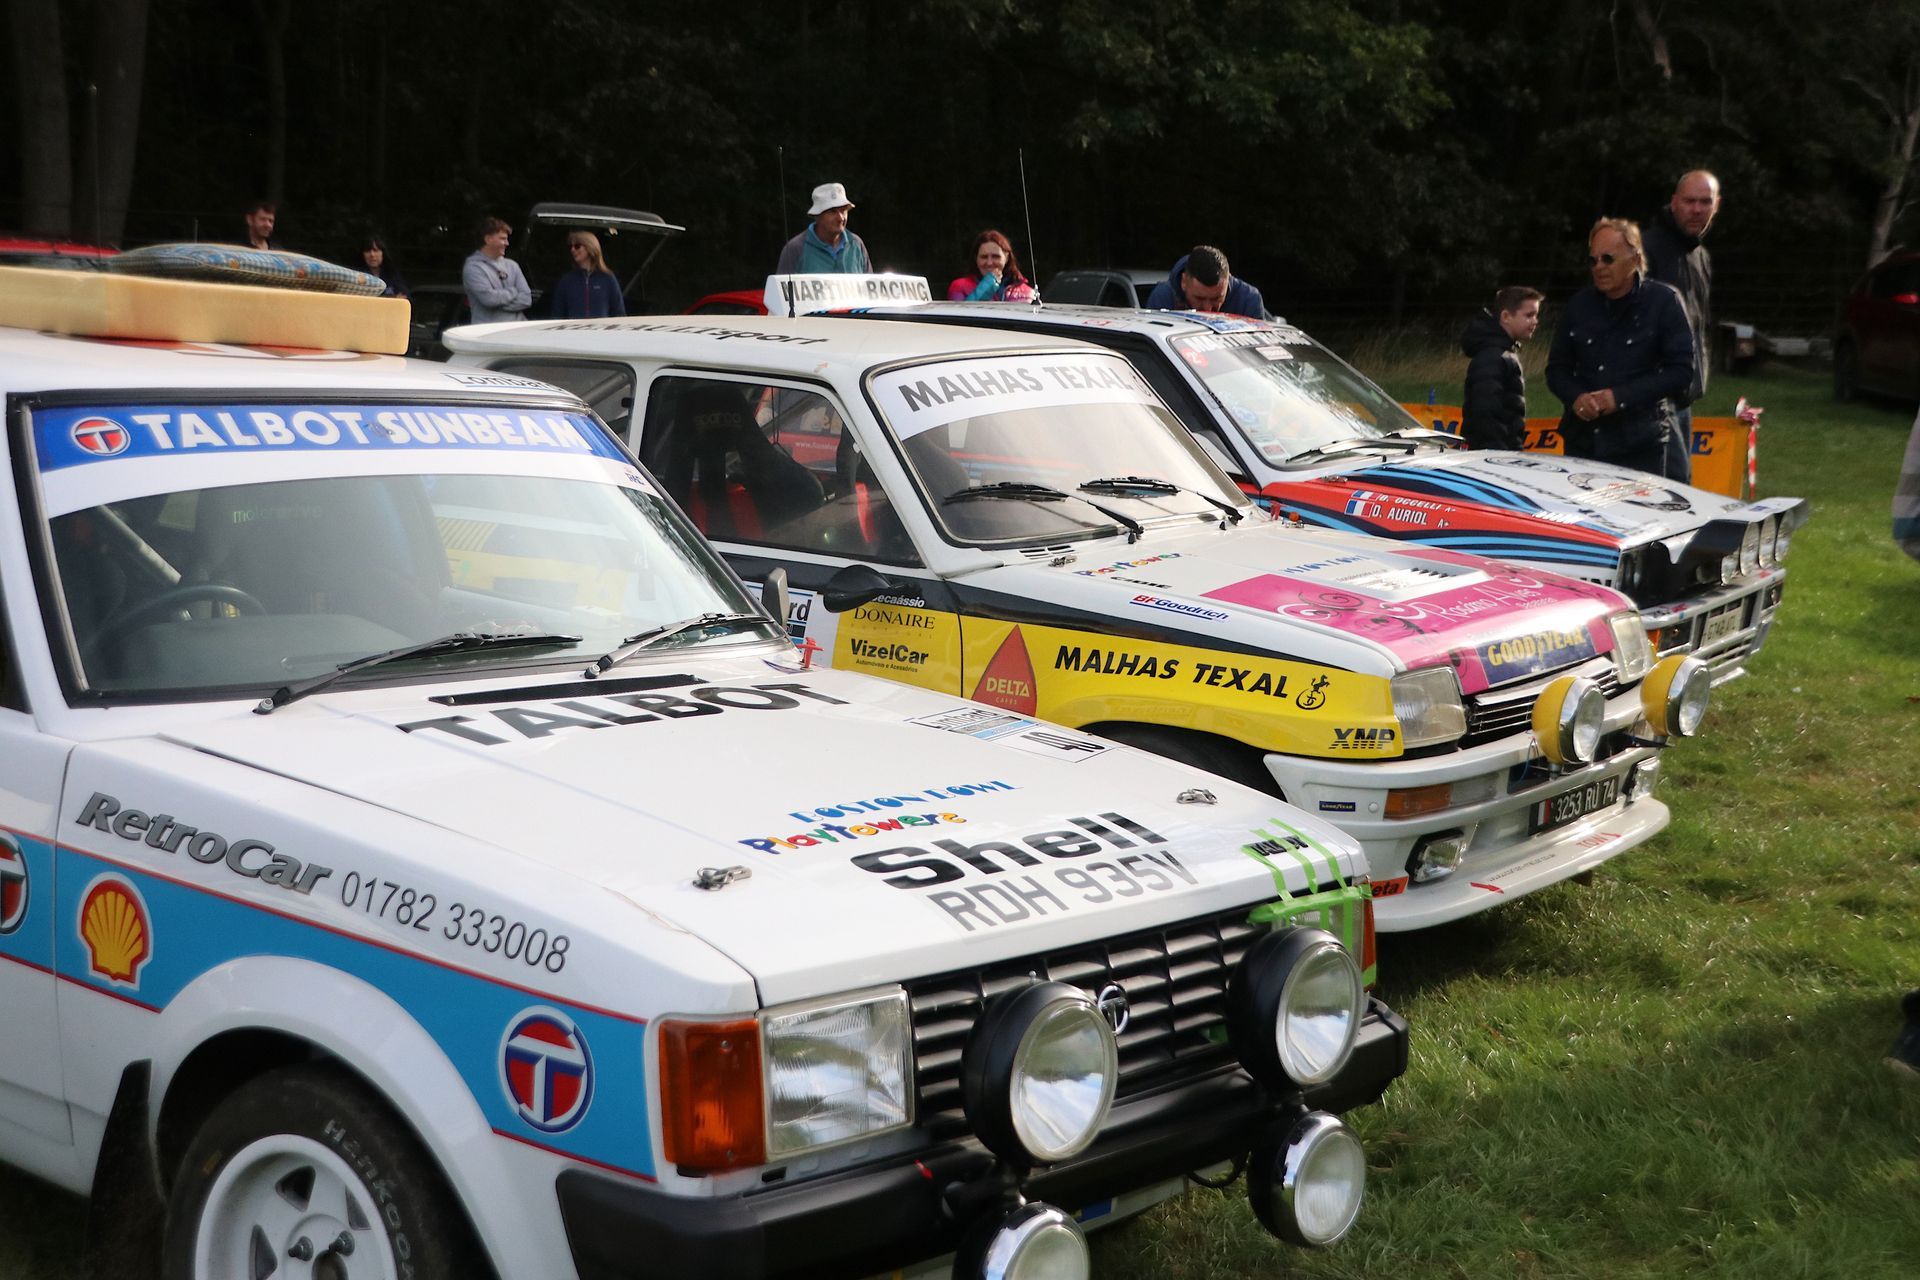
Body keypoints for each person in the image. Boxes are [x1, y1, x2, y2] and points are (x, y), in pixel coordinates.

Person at [1545, 218, 1695, 478]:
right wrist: (1576, 397)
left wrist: (1620, 397)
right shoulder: (1579, 305)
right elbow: (1557, 369)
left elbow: (1681, 372)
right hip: (1583, 442)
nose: (1599, 267)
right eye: (1593, 261)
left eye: (1608, 259)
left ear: (1635, 258)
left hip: (1639, 445)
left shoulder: (1663, 302)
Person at [1643, 169, 1722, 482]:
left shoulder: (1699, 255)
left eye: (1705, 202)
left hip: (1684, 392)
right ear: (1674, 202)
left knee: (1679, 483)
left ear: (1716, 206)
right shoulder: (1646, 250)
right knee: (1674, 484)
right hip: (1654, 394)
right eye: (1690, 201)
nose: (1697, 209)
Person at [1459, 286, 1543, 451]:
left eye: (1536, 315)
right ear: (1506, 316)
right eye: (1529, 315)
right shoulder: (1492, 358)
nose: (1535, 321)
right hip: (1491, 454)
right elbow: (1486, 414)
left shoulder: (1503, 354)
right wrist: (1501, 454)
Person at [775, 182, 872, 275]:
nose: (841, 218)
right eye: (832, 211)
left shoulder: (856, 244)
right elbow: (782, 290)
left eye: (843, 210)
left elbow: (870, 289)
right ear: (817, 216)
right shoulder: (795, 249)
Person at [1145, 245, 1269, 317]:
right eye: (1199, 299)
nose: (1208, 309)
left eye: (1216, 299)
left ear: (1228, 280)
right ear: (1183, 282)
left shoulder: (1248, 300)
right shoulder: (1163, 298)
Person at [462, 216, 532, 324]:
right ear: (488, 239)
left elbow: (526, 299)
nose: (507, 243)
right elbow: (489, 299)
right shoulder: (473, 268)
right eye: (503, 239)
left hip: (517, 332)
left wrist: (498, 304)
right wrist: (513, 291)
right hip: (488, 334)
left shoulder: (512, 265)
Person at [549, 231, 626, 319]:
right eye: (571, 246)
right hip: (573, 332)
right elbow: (557, 315)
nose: (572, 250)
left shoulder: (608, 278)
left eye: (577, 246)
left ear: (590, 247)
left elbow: (619, 314)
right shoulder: (566, 281)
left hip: (600, 332)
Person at [947, 229, 1036, 302]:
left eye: (995, 257)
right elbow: (962, 318)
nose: (989, 263)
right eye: (984, 257)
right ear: (976, 258)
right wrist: (988, 285)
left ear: (1007, 258)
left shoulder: (1027, 291)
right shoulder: (959, 286)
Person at [358, 234, 409, 299]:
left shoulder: (392, 274)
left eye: (376, 250)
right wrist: (392, 298)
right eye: (368, 251)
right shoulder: (358, 275)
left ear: (383, 253)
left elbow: (405, 296)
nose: (372, 254)